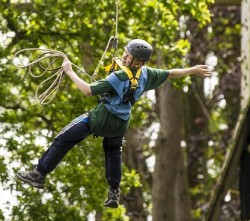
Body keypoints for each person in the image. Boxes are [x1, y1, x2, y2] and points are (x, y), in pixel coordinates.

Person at [16, 39, 212, 208]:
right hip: (120, 124)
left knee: (63, 138)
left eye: (128, 56)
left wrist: (68, 71)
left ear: (139, 61)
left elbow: (87, 90)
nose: (125, 57)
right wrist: (192, 70)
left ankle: (39, 174)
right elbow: (170, 73)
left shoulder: (117, 77)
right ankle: (113, 192)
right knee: (113, 152)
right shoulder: (146, 74)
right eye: (125, 54)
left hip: (101, 119)